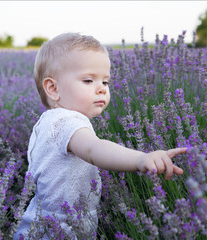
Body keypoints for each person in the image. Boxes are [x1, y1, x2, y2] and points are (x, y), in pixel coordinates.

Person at [13, 32, 187, 239]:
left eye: (105, 82)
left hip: (44, 222)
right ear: (53, 88)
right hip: (58, 229)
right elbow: (94, 149)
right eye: (88, 80)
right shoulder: (66, 123)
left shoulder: (48, 121)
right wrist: (140, 159)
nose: (102, 89)